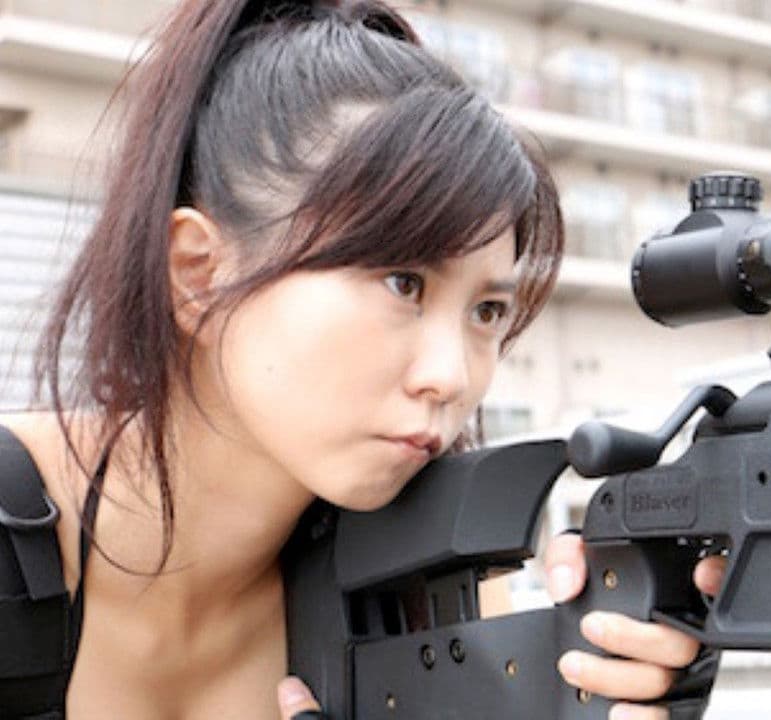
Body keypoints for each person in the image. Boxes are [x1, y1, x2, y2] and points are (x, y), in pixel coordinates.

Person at [0, 1, 725, 718]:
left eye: (486, 311)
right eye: (403, 283)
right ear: (201, 276)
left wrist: (603, 688)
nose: (451, 378)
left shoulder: (431, 597)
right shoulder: (16, 528)